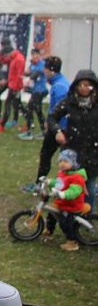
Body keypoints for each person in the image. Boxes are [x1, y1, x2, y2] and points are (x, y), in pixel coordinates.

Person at [47, 69, 98, 209]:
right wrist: (57, 131)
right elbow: (52, 117)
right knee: (66, 184)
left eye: (88, 85)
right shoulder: (69, 102)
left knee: (90, 188)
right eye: (81, 84)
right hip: (72, 151)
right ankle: (66, 213)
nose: (84, 88)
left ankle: (87, 216)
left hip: (92, 151)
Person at [22, 55, 70, 193]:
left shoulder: (60, 86)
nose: (44, 71)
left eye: (45, 68)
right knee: (51, 156)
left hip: (59, 130)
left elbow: (60, 110)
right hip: (58, 127)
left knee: (49, 156)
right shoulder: (59, 83)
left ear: (51, 70)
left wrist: (55, 127)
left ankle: (42, 184)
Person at [42, 149, 88, 252]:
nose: (62, 164)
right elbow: (60, 183)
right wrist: (50, 182)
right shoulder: (63, 173)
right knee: (51, 214)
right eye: (61, 161)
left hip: (71, 205)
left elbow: (74, 191)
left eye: (66, 161)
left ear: (74, 163)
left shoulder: (77, 177)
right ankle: (49, 231)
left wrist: (63, 194)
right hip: (62, 203)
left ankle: (72, 242)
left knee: (65, 222)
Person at [0, 39, 24, 133]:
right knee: (16, 104)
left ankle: (4, 124)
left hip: (14, 85)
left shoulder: (18, 59)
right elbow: (4, 66)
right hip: (11, 84)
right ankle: (27, 122)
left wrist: (15, 87)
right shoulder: (13, 57)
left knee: (12, 104)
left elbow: (19, 75)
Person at [17, 48, 47, 140]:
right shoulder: (33, 64)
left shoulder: (42, 64)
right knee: (38, 111)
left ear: (39, 55)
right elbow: (28, 72)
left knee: (30, 109)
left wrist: (29, 78)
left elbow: (36, 74)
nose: (35, 57)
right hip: (35, 91)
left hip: (40, 91)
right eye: (33, 55)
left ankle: (28, 131)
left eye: (37, 55)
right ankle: (44, 131)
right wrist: (23, 74)